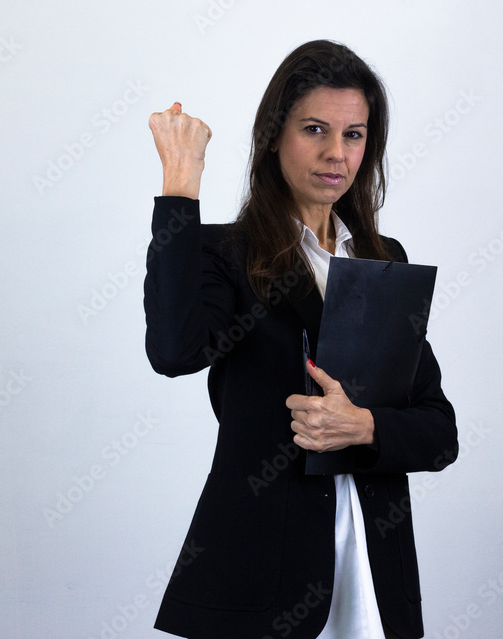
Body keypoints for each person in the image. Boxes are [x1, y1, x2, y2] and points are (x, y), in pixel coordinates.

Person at [143, 39, 458, 639]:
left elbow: (439, 433)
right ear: (274, 136)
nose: (335, 153)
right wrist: (180, 188)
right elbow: (174, 351)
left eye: (354, 134)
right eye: (315, 129)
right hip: (261, 576)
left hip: (372, 568)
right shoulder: (227, 254)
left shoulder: (383, 261)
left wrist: (363, 427)